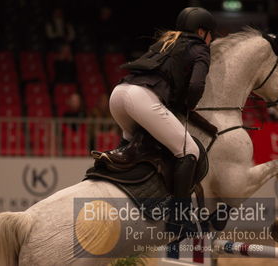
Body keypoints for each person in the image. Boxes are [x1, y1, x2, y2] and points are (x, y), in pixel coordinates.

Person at [92, 7, 215, 231]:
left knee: (132, 146)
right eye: (210, 34)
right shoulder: (199, 47)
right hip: (142, 98)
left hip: (118, 93)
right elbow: (196, 85)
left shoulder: (166, 40)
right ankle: (178, 218)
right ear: (200, 31)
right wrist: (188, 105)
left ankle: (110, 173)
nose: (211, 39)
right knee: (189, 151)